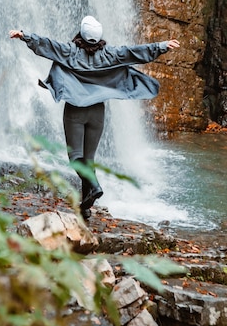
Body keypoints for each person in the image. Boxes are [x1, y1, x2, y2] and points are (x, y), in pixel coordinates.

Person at [9, 16, 180, 220]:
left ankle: (94, 185)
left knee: (76, 159)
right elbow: (134, 52)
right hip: (97, 112)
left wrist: (24, 36)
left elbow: (47, 45)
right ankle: (85, 207)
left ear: (81, 34)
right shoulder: (111, 54)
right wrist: (162, 46)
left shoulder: (69, 52)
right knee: (88, 160)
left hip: (75, 110)